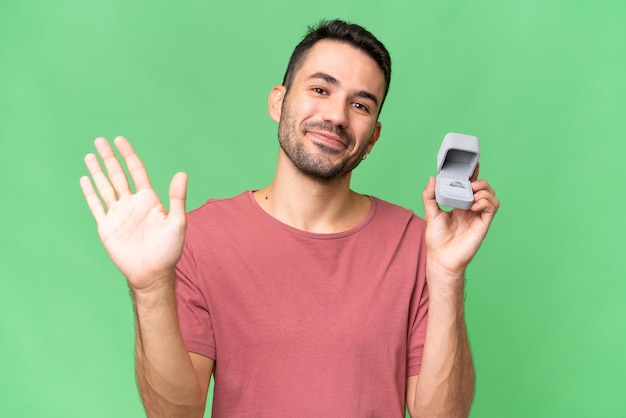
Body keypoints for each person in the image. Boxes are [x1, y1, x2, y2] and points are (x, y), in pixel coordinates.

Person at [80, 19, 499, 418]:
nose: (336, 115)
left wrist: (447, 274)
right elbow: (175, 413)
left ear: (373, 136)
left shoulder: (416, 242)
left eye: (359, 104)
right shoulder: (199, 237)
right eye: (320, 89)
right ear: (278, 101)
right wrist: (151, 288)